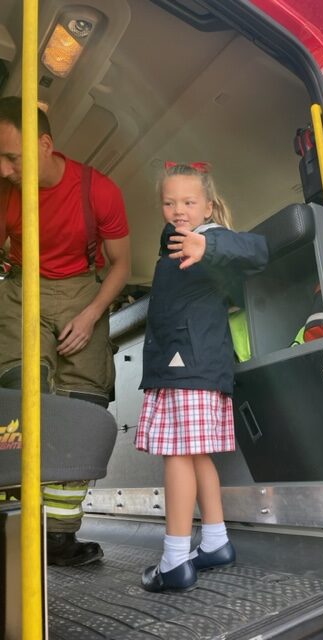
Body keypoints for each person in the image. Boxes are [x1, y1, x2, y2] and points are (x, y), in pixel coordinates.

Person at [0, 96, 131, 566]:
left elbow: (122, 265)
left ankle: (58, 536)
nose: (4, 169)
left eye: (12, 157)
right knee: (18, 403)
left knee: (84, 413)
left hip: (83, 293)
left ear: (45, 144)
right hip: (21, 290)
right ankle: (14, 524)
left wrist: (93, 313)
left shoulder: (99, 190)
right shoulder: (4, 191)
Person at [137, 161, 268, 592]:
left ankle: (175, 559)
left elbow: (257, 249)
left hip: (186, 365)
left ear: (208, 207)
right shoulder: (173, 245)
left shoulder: (208, 239)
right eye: (169, 202)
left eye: (189, 202)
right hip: (192, 364)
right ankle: (215, 542)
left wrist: (206, 248)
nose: (179, 210)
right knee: (197, 456)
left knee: (177, 456)